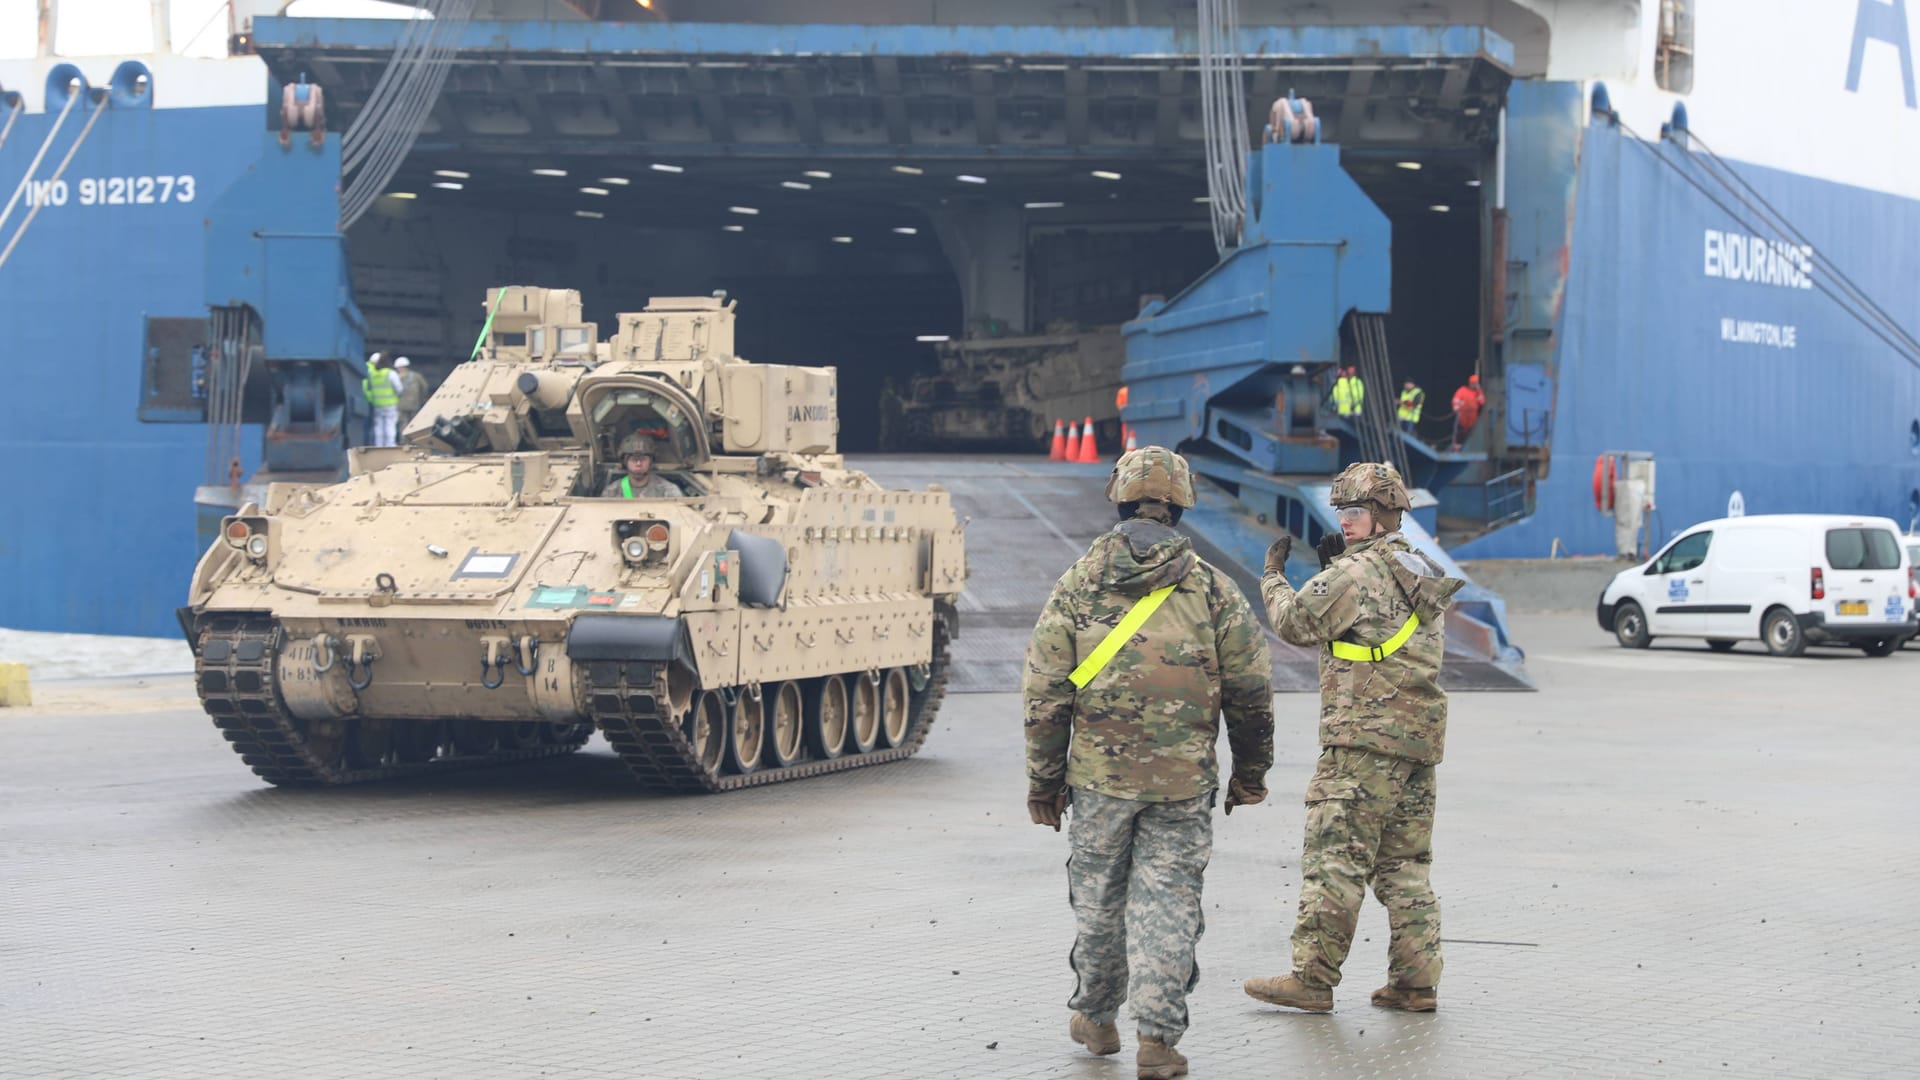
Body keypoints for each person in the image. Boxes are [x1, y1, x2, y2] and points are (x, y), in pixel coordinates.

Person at [1025, 445, 1275, 1080]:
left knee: (1100, 900)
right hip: (1183, 782)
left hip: (1099, 781)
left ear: (1119, 497)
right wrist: (1252, 773)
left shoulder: (1078, 583)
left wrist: (1043, 783)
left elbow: (1046, 692)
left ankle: (1098, 1018)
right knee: (1169, 902)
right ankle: (1158, 1042)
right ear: (1182, 503)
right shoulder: (1214, 590)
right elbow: (1251, 692)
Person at [1243, 462, 1464, 1016]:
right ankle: (1415, 984)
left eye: (1357, 512)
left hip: (1361, 738)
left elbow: (1294, 624)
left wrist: (1272, 576)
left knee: (1334, 858)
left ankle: (1311, 979)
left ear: (1384, 514)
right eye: (1342, 512)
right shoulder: (1421, 567)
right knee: (1406, 866)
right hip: (1416, 742)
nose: (1346, 522)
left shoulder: (1354, 572)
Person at [600, 432, 682, 499]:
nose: (638, 463)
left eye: (643, 459)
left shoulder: (668, 490)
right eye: (634, 459)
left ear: (651, 461)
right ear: (625, 462)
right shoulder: (612, 492)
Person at [361, 352, 405, 448]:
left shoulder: (371, 374)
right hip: (390, 404)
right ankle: (390, 446)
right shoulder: (390, 373)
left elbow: (368, 388)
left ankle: (379, 446)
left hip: (377, 404)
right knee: (390, 425)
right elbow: (399, 389)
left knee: (378, 426)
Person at [393, 356, 429, 431]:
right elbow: (425, 387)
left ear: (400, 367)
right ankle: (414, 439)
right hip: (414, 403)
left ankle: (404, 440)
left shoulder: (396, 377)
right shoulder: (417, 376)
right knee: (414, 423)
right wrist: (421, 399)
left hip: (401, 404)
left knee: (403, 423)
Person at [1450, 374, 1485, 450]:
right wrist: (1456, 408)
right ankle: (1456, 450)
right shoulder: (1462, 390)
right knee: (1459, 434)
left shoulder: (1478, 392)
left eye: (1475, 383)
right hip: (1462, 416)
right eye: (1473, 383)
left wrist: (1479, 390)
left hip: (1473, 418)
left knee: (1471, 434)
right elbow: (1455, 400)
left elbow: (1482, 402)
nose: (1473, 385)